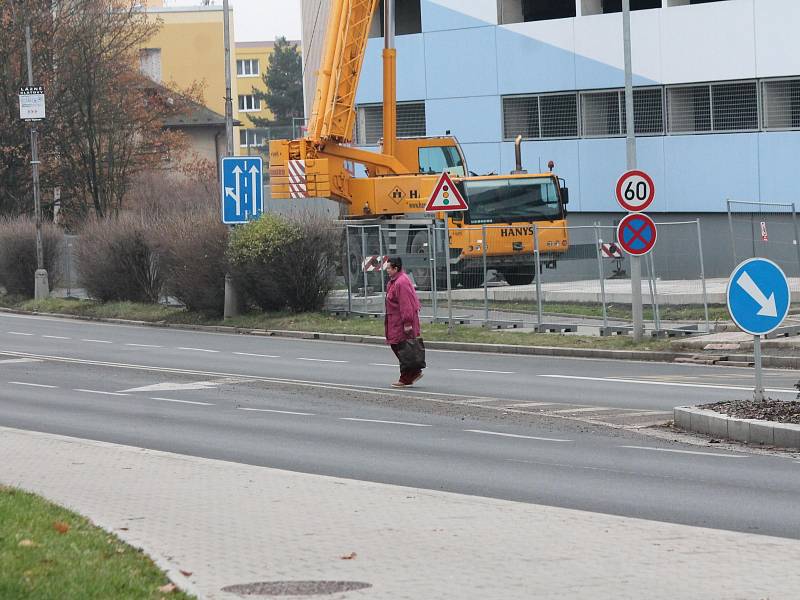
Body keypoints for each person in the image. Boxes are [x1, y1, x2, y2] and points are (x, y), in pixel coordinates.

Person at [384, 256, 424, 387]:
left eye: (389, 268)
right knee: (397, 346)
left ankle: (406, 377)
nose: (387, 270)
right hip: (394, 321)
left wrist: (407, 323)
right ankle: (414, 372)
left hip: (402, 321)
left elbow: (406, 304)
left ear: (396, 268)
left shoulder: (401, 282)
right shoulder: (394, 281)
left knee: (403, 348)